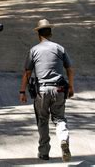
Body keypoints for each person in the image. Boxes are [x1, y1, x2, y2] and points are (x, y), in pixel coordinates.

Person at [19, 19, 75, 162]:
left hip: (42, 91)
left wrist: (22, 92)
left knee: (42, 120)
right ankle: (63, 139)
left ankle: (44, 152)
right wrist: (71, 87)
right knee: (59, 118)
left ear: (38, 34)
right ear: (50, 33)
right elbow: (70, 69)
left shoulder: (34, 50)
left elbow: (27, 72)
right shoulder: (60, 48)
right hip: (59, 89)